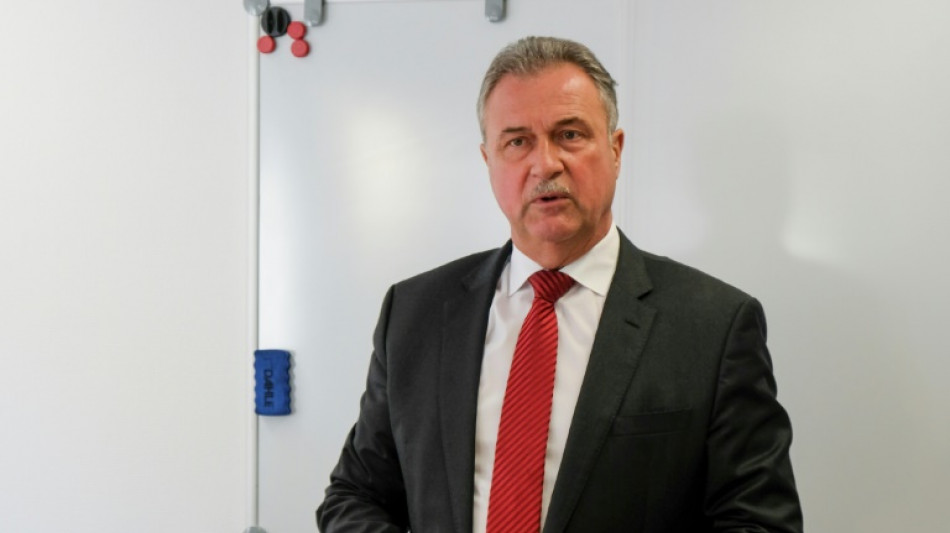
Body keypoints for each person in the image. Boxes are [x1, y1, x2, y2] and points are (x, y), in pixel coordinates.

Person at [316, 36, 802, 532]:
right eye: (517, 141)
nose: (545, 164)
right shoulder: (414, 313)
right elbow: (355, 496)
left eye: (569, 134)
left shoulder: (714, 326)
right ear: (489, 162)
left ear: (615, 150)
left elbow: (759, 522)